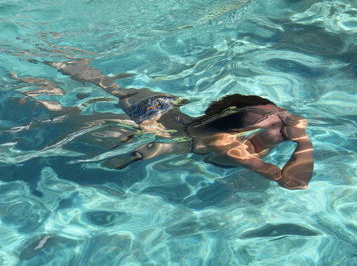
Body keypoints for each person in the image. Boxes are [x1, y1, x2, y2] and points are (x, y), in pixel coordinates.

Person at [12, 58, 314, 190]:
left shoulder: (240, 131)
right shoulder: (233, 150)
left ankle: (50, 59)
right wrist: (302, 140)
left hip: (168, 111)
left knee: (106, 83)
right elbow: (294, 182)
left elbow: (257, 119)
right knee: (63, 115)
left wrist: (287, 125)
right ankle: (33, 88)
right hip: (158, 136)